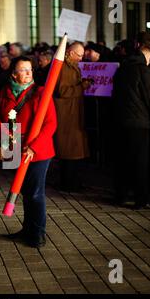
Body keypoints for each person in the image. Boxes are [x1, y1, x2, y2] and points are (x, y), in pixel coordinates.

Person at [0, 56, 57, 248]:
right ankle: (27, 229)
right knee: (27, 191)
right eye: (22, 70)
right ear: (13, 74)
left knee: (35, 192)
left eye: (30, 70)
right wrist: (3, 135)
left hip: (38, 151)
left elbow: (51, 123)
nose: (28, 73)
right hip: (16, 149)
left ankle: (38, 234)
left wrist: (34, 146)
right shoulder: (4, 92)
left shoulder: (41, 92)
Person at [112, 46, 150, 209]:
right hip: (139, 122)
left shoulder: (121, 69)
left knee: (122, 160)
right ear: (144, 56)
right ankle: (141, 199)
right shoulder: (144, 71)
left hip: (120, 121)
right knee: (140, 161)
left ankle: (121, 195)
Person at [54, 42, 91, 192]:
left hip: (72, 113)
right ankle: (69, 183)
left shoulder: (71, 66)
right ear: (70, 53)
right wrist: (82, 86)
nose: (81, 58)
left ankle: (71, 182)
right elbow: (63, 91)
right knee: (69, 151)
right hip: (67, 114)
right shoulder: (64, 67)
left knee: (71, 151)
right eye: (79, 55)